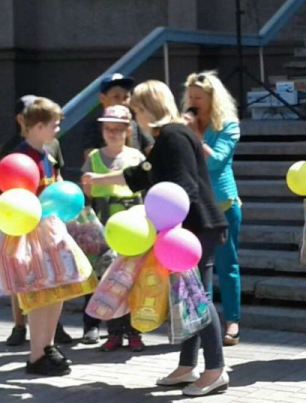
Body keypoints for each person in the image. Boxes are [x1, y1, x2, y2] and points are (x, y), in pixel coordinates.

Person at [82, 80, 230, 397]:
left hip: (193, 227)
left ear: (148, 108)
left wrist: (167, 225)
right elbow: (141, 175)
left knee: (196, 297)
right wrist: (99, 179)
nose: (136, 119)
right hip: (193, 226)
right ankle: (187, 366)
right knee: (187, 296)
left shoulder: (173, 137)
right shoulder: (171, 136)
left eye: (136, 110)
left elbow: (182, 187)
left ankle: (215, 370)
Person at [0, 96, 75, 376]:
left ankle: (47, 345)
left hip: (49, 229)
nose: (58, 129)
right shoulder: (21, 158)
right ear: (38, 126)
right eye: (54, 125)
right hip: (32, 234)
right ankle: (37, 354)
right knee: (41, 292)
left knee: (56, 291)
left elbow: (56, 185)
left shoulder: (47, 151)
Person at [181, 71, 243, 347]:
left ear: (212, 99)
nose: (193, 102)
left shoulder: (228, 125)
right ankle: (201, 321)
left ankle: (232, 321)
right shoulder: (185, 122)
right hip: (193, 205)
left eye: (199, 97)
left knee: (226, 264)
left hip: (223, 204)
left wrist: (194, 135)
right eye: (190, 96)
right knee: (196, 266)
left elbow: (216, 162)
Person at [79, 105, 147, 350]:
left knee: (133, 280)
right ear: (102, 129)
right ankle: (114, 333)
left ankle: (135, 331)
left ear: (128, 130)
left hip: (134, 227)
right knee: (109, 281)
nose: (113, 133)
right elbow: (86, 191)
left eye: (119, 129)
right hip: (105, 227)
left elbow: (145, 188)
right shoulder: (95, 157)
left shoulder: (136, 157)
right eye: (109, 128)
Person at [82, 73, 154, 161]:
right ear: (102, 98)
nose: (123, 102)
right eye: (116, 97)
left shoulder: (136, 124)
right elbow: (91, 160)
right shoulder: (94, 127)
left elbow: (153, 152)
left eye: (126, 97)